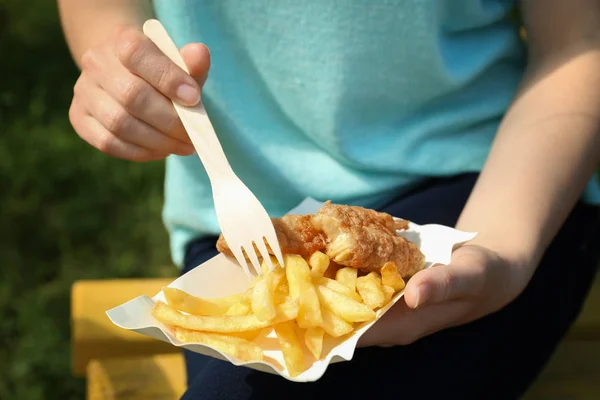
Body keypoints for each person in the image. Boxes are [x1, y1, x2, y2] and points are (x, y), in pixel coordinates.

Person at [58, 0, 600, 398]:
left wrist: (502, 247)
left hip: (503, 196)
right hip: (242, 227)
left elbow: (579, 44)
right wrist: (113, 56)